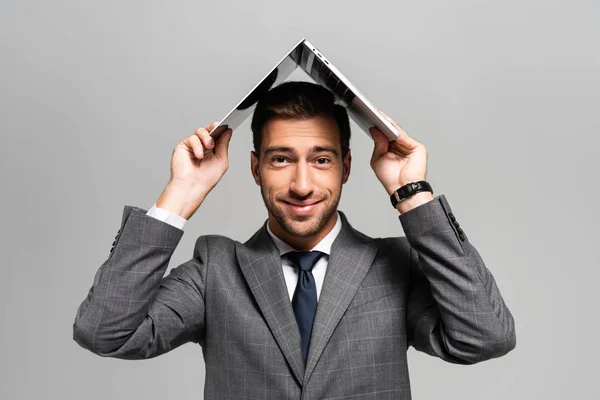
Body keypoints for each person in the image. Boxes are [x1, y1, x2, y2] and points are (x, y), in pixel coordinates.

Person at [73, 81, 516, 399]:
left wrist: (412, 194)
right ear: (254, 168)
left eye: (321, 160)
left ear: (346, 166)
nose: (302, 184)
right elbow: (105, 333)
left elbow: (485, 337)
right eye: (281, 159)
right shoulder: (215, 269)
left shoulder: (392, 265)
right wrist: (179, 196)